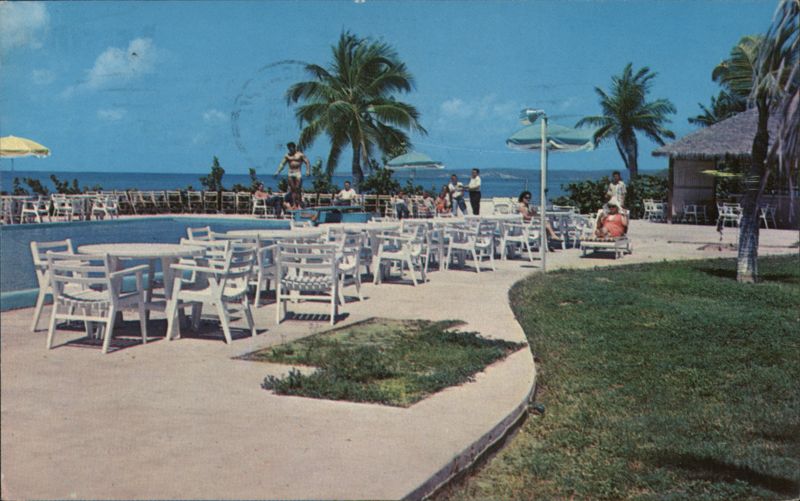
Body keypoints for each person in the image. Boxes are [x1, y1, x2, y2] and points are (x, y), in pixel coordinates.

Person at [276, 142, 311, 206]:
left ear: (294, 147)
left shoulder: (300, 155)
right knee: (292, 189)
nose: (290, 149)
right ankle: (294, 204)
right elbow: (282, 164)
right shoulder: (287, 155)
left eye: (291, 148)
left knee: (298, 188)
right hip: (290, 173)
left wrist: (308, 171)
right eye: (289, 148)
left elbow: (307, 162)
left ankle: (299, 203)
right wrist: (278, 171)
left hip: (298, 172)